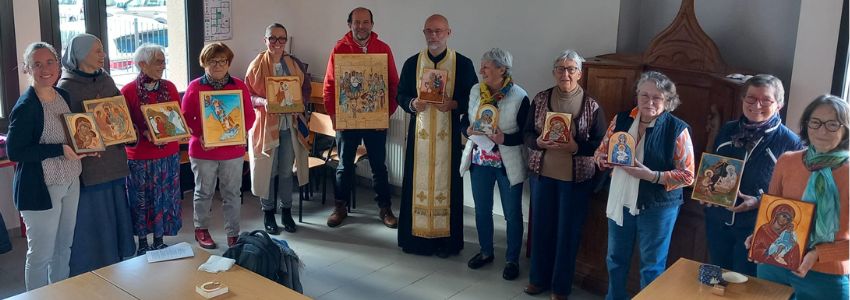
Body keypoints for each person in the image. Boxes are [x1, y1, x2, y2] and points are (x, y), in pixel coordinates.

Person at [593, 71, 695, 299]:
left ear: (668, 101)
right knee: (615, 260)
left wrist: (653, 176)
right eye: (644, 95)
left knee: (652, 267)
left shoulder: (677, 129)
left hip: (657, 207)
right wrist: (602, 159)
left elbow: (688, 176)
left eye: (657, 97)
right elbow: (600, 152)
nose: (649, 101)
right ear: (637, 95)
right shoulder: (621, 120)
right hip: (621, 201)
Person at [745, 94, 849, 300]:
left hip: (826, 275)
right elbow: (771, 212)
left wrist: (817, 254)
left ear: (845, 129)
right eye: (816, 122)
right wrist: (759, 237)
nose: (822, 131)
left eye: (832, 125)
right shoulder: (787, 161)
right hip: (774, 266)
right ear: (806, 125)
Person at [522, 50, 607, 299]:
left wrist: (576, 148)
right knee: (541, 229)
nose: (565, 74)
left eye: (571, 69)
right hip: (543, 176)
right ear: (554, 72)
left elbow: (602, 144)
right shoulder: (540, 99)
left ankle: (560, 288)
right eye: (560, 68)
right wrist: (537, 141)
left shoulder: (592, 105)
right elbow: (526, 133)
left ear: (580, 73)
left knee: (567, 234)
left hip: (575, 180)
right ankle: (537, 279)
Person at [701, 74, 803, 276]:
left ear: (779, 104)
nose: (757, 105)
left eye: (766, 100)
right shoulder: (727, 129)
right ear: (742, 100)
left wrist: (758, 201)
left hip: (756, 227)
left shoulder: (790, 143)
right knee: (718, 279)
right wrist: (706, 191)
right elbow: (713, 168)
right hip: (718, 222)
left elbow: (794, 196)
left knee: (745, 283)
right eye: (751, 98)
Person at [6, 42, 88, 290]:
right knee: (41, 254)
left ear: (58, 65)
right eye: (37, 64)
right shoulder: (26, 106)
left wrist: (85, 145)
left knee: (64, 247)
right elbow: (15, 151)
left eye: (50, 62)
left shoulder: (62, 95)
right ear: (26, 69)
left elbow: (70, 134)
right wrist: (58, 150)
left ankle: (59, 293)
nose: (45, 69)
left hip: (70, 180)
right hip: (41, 187)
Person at [396, 14, 478, 258]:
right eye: (429, 31)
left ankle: (446, 243)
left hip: (449, 138)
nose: (434, 36)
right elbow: (400, 95)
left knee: (448, 183)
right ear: (424, 33)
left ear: (449, 33)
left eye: (439, 31)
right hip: (419, 137)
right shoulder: (413, 63)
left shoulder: (462, 63)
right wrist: (412, 103)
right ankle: (416, 241)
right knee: (415, 185)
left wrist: (453, 104)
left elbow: (472, 99)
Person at [57, 33, 135, 276]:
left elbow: (120, 116)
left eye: (102, 50)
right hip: (89, 165)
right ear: (80, 54)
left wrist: (125, 131)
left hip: (113, 160)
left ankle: (117, 255)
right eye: (97, 50)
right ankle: (93, 264)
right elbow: (66, 130)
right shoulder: (65, 88)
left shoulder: (107, 80)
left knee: (116, 209)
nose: (103, 55)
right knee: (93, 215)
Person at [322, 7, 400, 228]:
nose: (361, 26)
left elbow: (394, 84)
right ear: (350, 25)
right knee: (344, 166)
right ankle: (340, 207)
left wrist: (386, 113)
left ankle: (385, 208)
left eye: (365, 22)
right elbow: (329, 86)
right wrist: (334, 116)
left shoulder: (383, 49)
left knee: (378, 166)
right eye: (357, 22)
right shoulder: (339, 49)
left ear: (372, 25)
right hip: (347, 121)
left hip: (376, 121)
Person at [460, 48, 529, 280]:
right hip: (480, 161)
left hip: (507, 163)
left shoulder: (520, 96)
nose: (481, 71)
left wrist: (504, 139)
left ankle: (512, 260)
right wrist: (466, 130)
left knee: (512, 214)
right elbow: (464, 119)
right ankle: (485, 251)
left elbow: (527, 134)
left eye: (486, 67)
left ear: (502, 70)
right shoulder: (475, 91)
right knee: (482, 210)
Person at [182, 42, 256, 249]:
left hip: (232, 150)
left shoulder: (239, 86)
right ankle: (201, 229)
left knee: (232, 193)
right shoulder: (195, 86)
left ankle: (233, 233)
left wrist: (241, 132)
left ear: (229, 62)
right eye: (212, 61)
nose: (218, 65)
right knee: (203, 191)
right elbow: (186, 118)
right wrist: (200, 135)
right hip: (203, 150)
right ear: (204, 63)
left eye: (222, 61)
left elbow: (249, 117)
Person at [245, 23, 310, 234]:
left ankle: (287, 211)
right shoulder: (256, 65)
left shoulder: (294, 63)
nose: (277, 43)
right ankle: (268, 212)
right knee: (268, 171)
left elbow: (305, 90)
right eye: (272, 38)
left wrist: (298, 104)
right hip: (266, 126)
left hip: (288, 125)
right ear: (265, 40)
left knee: (285, 170)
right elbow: (247, 96)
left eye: (282, 38)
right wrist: (263, 102)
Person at [121, 44, 182, 255]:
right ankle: (142, 243)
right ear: (141, 64)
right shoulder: (128, 91)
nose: (162, 65)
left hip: (168, 155)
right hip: (140, 157)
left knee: (164, 199)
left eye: (164, 61)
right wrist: (143, 133)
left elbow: (177, 119)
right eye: (158, 61)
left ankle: (159, 240)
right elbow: (124, 126)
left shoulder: (170, 87)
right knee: (141, 200)